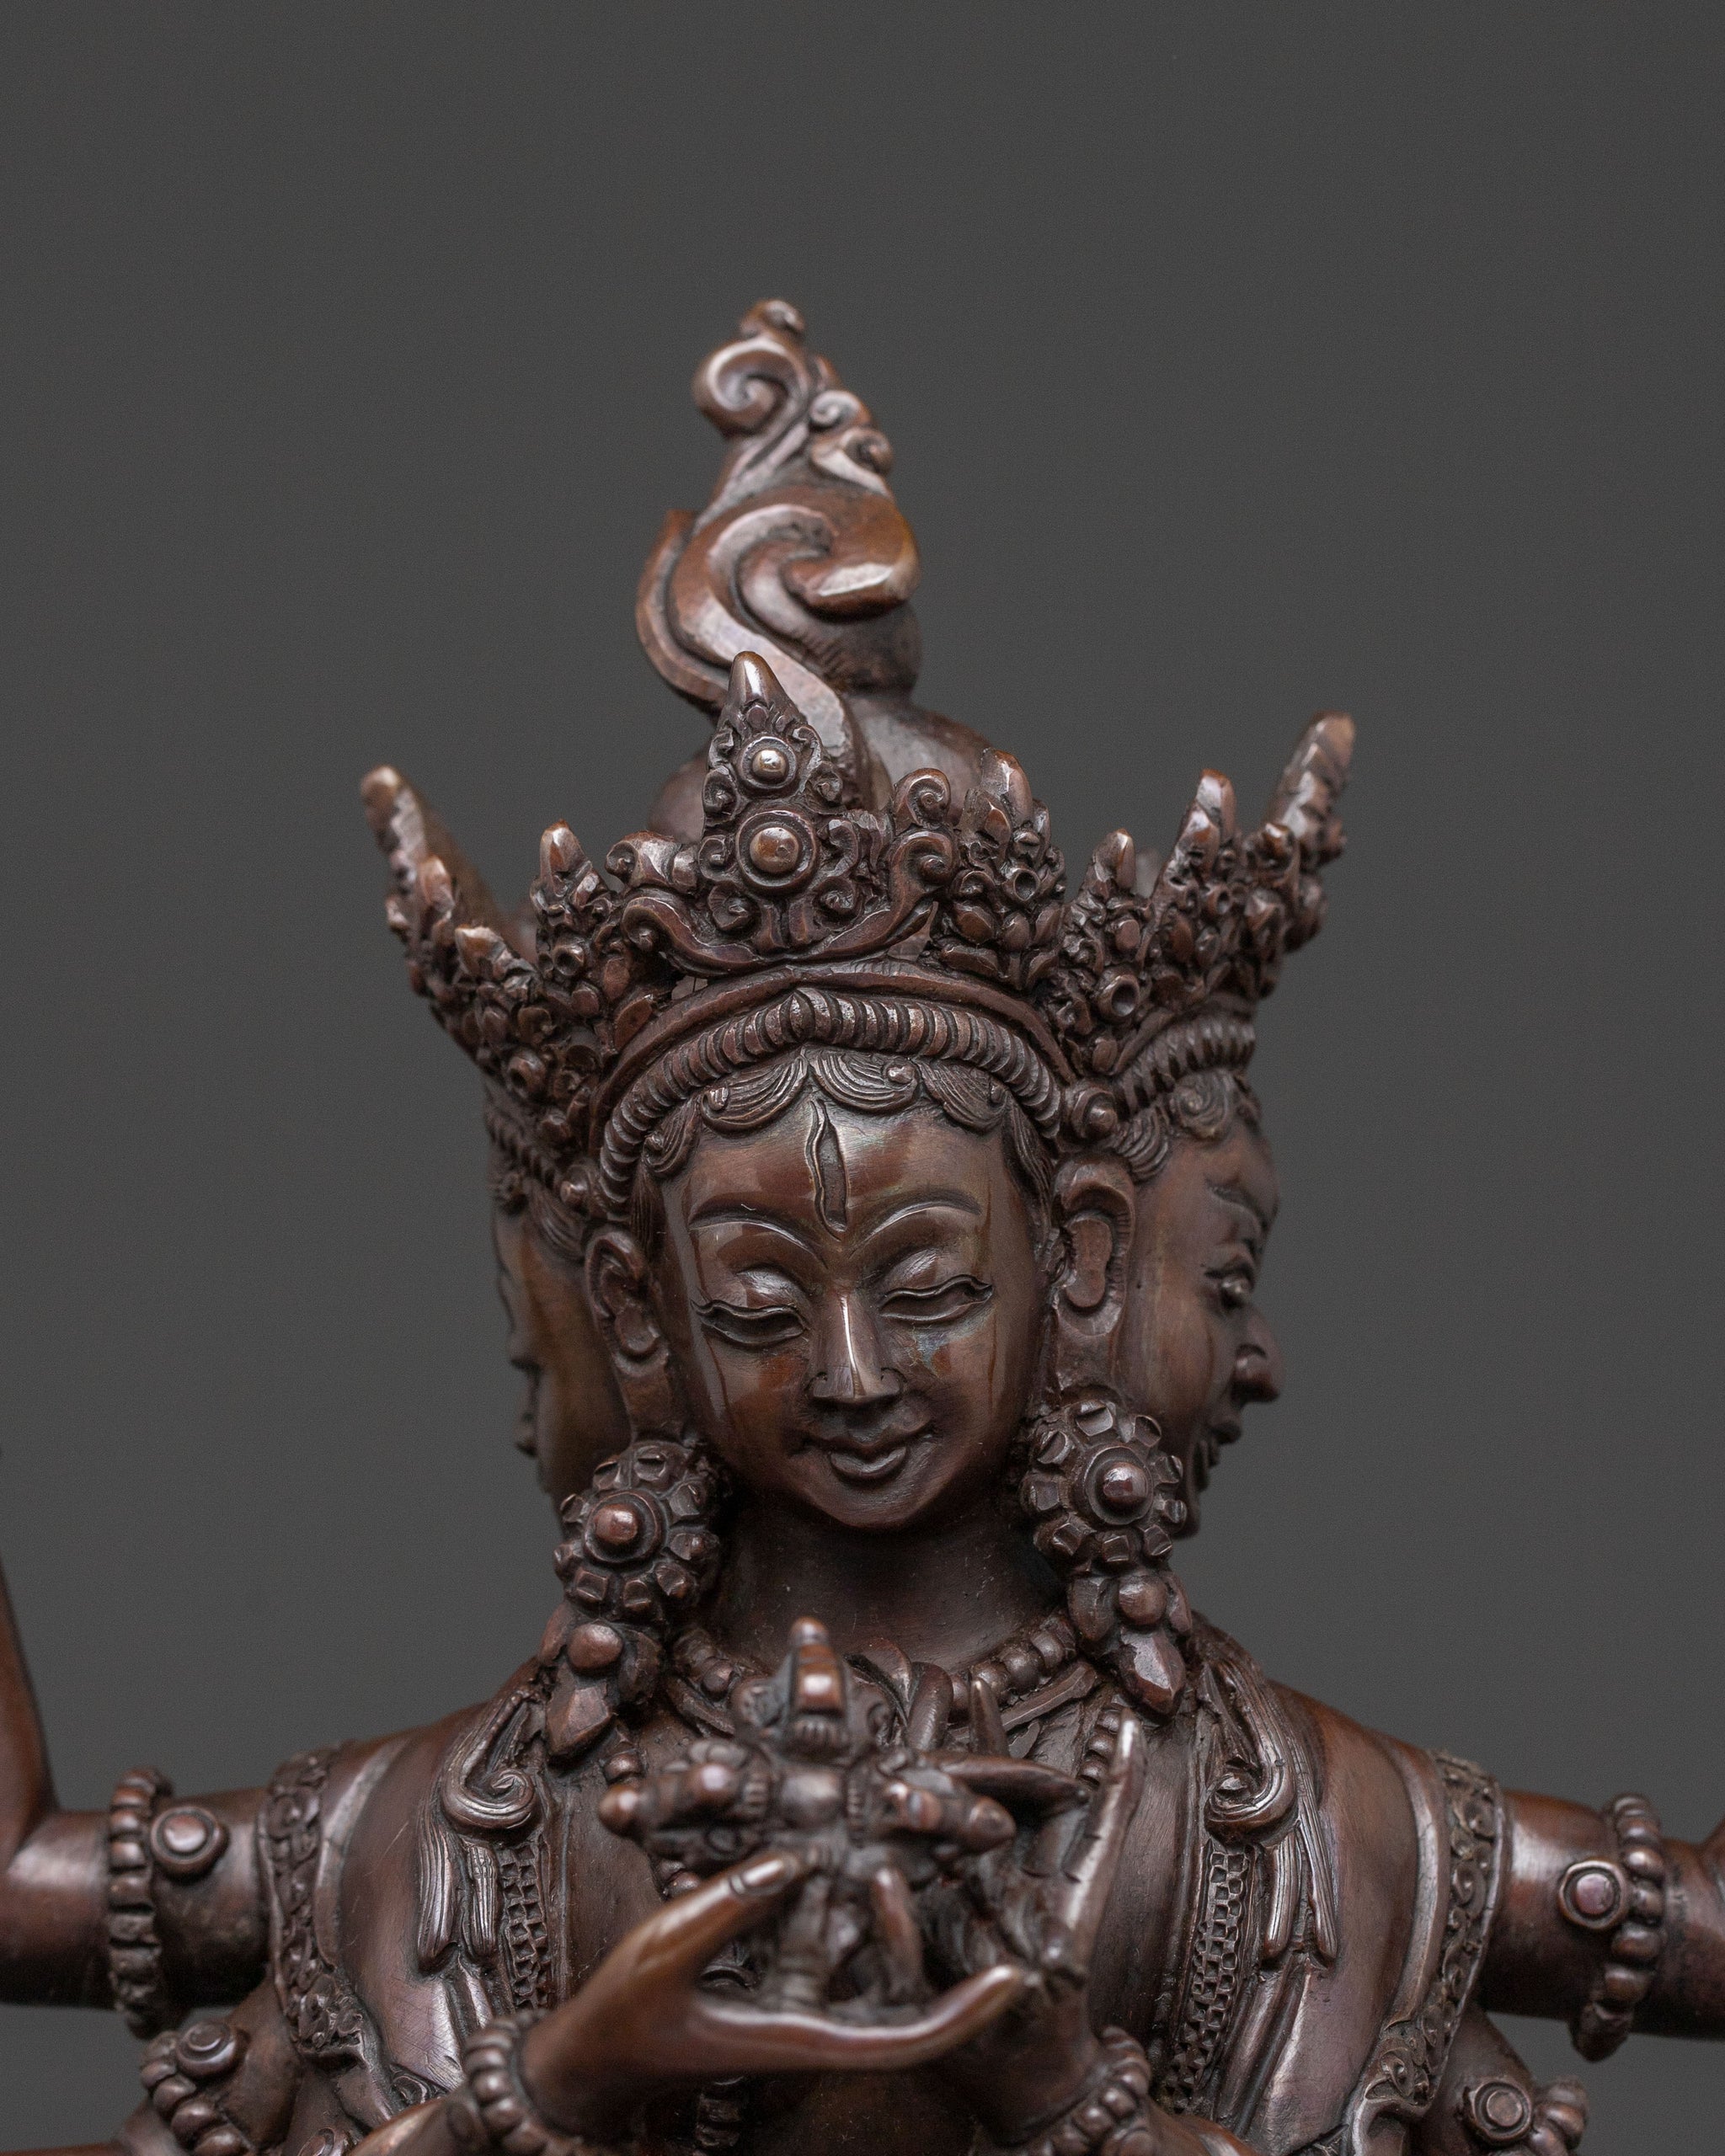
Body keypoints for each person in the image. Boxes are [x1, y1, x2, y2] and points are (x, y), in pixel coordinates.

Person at [8, 650, 1722, 2156]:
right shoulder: (457, 1831)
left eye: (926, 1286)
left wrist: (1061, 2091)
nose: (848, 1369)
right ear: (636, 1306)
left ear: (1076, 1257)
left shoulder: (1294, 1822)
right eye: (758, 1303)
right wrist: (559, 2082)